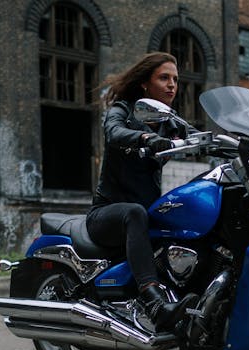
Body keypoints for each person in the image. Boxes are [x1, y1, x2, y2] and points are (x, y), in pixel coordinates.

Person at [86, 52, 198, 332]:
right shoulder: (122, 110)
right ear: (145, 84)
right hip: (108, 213)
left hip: (145, 213)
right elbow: (114, 133)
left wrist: (239, 143)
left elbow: (198, 136)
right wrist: (146, 138)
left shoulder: (170, 122)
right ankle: (153, 301)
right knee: (135, 213)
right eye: (164, 78)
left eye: (175, 79)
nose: (172, 84)